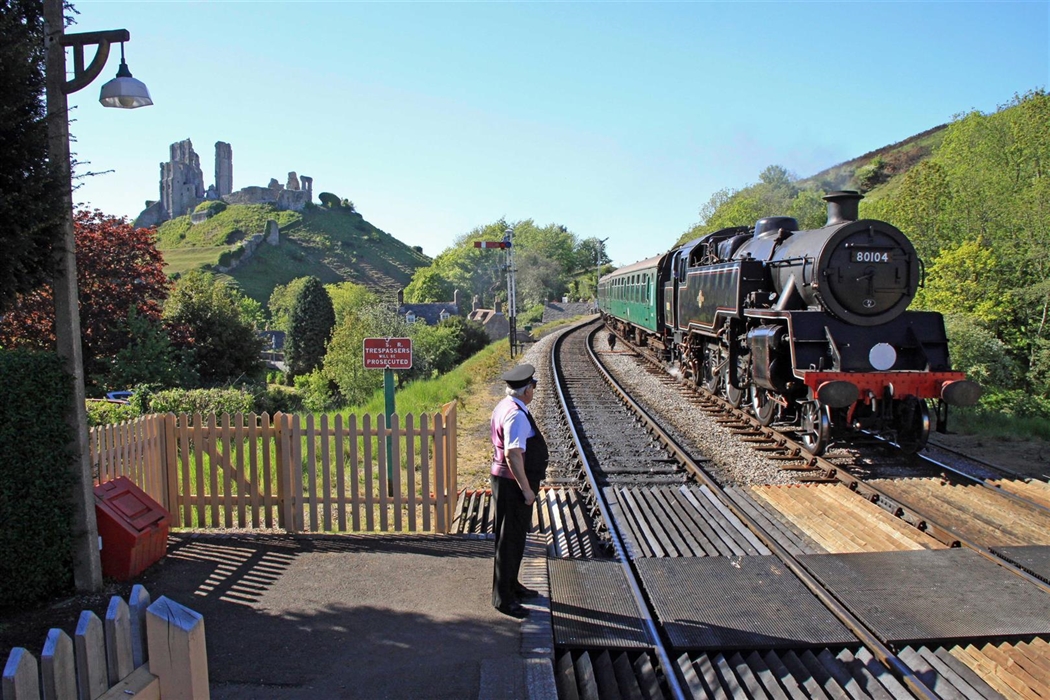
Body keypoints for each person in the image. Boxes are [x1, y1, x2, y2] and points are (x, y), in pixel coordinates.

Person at [489, 363, 549, 618]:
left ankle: (512, 585)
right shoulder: (515, 415)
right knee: (510, 539)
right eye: (533, 386)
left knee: (512, 537)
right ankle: (503, 599)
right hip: (513, 483)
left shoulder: (506, 405)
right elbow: (514, 454)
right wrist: (526, 489)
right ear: (526, 390)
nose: (534, 390)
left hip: (505, 480)